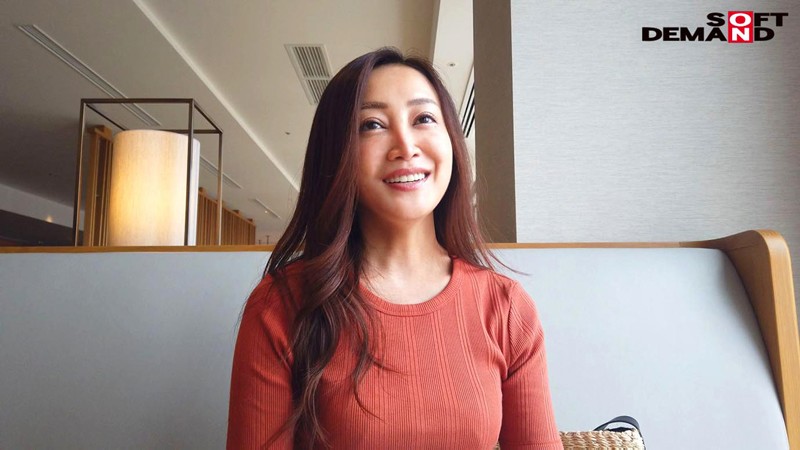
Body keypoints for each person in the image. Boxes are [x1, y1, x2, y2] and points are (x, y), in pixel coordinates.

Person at [226, 47, 562, 450]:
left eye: (423, 118)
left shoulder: (506, 308)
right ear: (337, 153)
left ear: (451, 140)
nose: (405, 146)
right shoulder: (280, 307)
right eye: (372, 125)